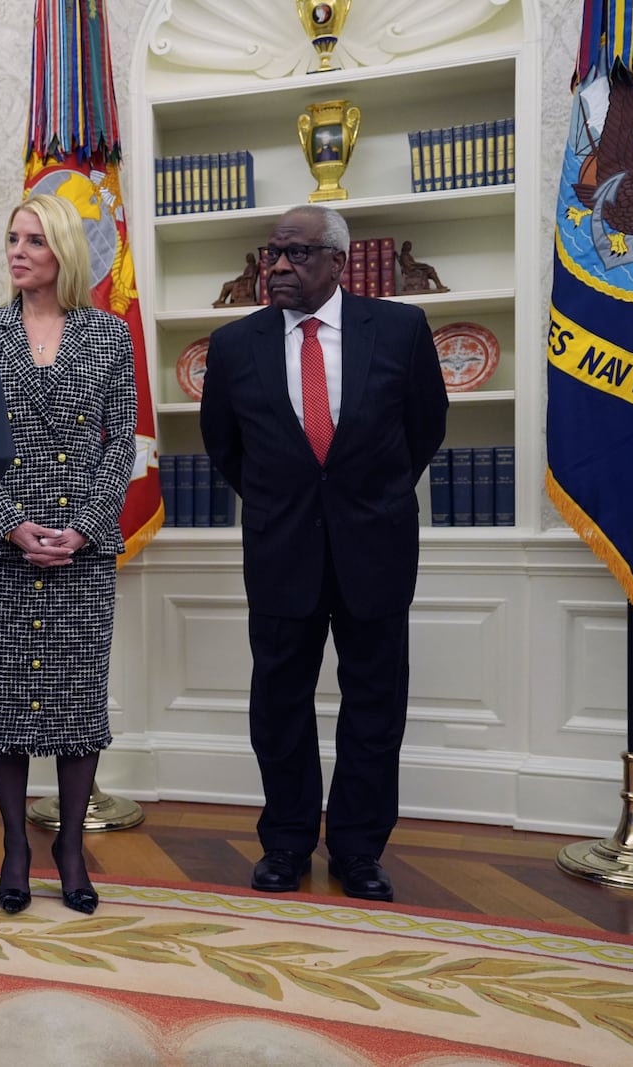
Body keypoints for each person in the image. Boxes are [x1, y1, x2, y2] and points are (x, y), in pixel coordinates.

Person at [199, 205, 446, 903]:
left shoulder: (400, 329)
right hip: (281, 552)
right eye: (272, 253)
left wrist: (362, 498)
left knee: (375, 706)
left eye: (298, 254)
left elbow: (424, 430)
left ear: (338, 262)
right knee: (279, 705)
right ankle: (285, 842)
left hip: (377, 549)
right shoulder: (233, 344)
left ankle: (359, 850)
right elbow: (227, 449)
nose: (278, 266)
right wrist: (290, 502)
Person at [0, 193, 137, 917]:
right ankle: (13, 846)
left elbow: (120, 442)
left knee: (74, 704)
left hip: (81, 552)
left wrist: (88, 525)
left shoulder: (109, 335)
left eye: (34, 239)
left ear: (63, 251)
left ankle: (67, 847)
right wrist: (11, 523)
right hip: (2, 549)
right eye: (12, 238)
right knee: (4, 705)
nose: (18, 250)